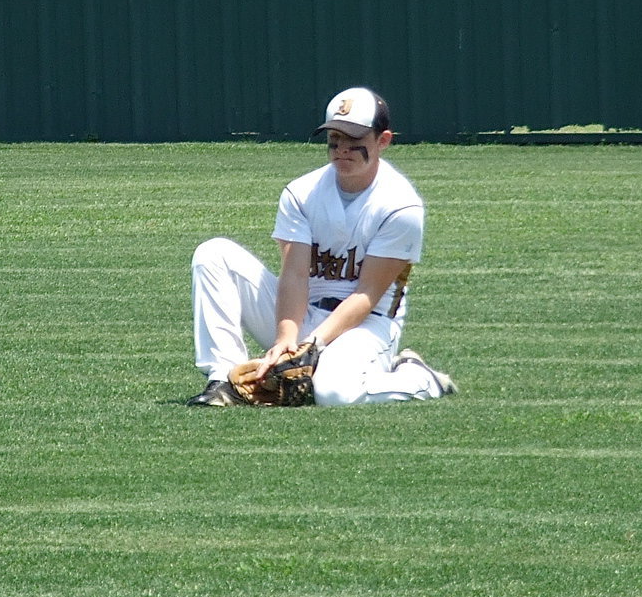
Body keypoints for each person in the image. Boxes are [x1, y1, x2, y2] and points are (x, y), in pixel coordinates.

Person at [186, 86, 457, 407]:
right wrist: (287, 340)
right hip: (304, 313)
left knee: (333, 394)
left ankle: (420, 377)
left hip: (369, 325)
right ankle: (222, 378)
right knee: (213, 254)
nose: (342, 148)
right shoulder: (302, 192)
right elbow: (295, 276)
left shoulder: (400, 205)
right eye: (335, 138)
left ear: (382, 141)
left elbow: (366, 295)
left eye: (354, 140)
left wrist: (313, 343)